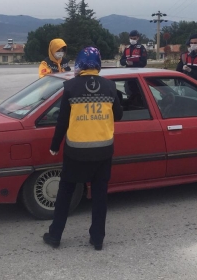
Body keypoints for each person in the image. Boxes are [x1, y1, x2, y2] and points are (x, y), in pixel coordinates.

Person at [43, 46, 123, 251]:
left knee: (65, 193)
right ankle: (97, 239)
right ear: (98, 64)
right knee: (99, 195)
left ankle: (55, 236)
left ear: (79, 64)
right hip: (103, 150)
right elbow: (119, 115)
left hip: (76, 151)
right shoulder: (110, 87)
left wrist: (54, 145)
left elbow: (62, 121)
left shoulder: (70, 87)